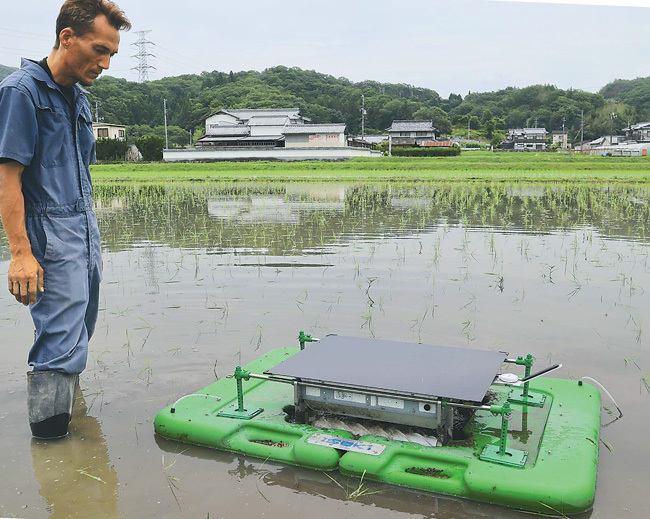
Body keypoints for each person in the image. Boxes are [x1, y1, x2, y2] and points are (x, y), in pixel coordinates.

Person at [0, 0, 130, 439]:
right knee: (58, 342)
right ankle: (53, 452)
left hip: (84, 230)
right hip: (48, 233)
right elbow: (7, 178)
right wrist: (20, 253)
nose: (105, 63)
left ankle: (68, 427)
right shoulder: (21, 92)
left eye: (111, 53)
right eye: (99, 49)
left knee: (80, 331)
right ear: (66, 37)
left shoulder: (79, 99)